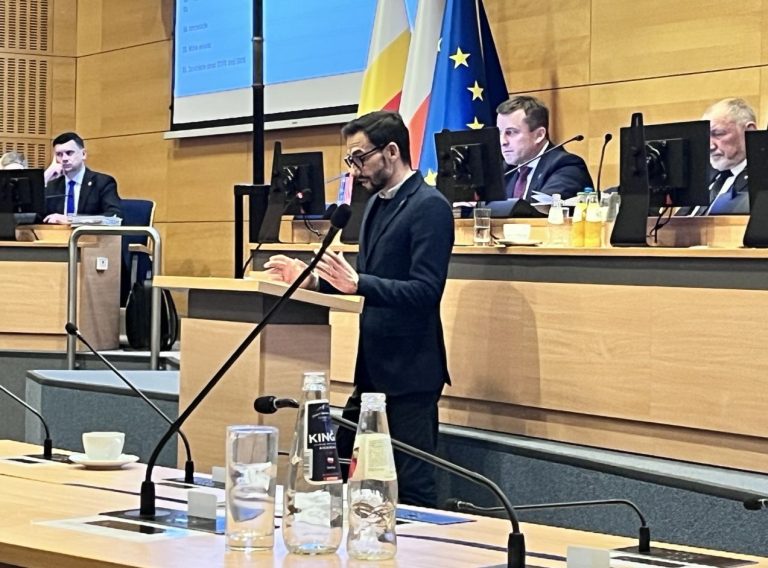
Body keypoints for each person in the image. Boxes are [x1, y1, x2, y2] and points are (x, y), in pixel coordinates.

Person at [264, 111, 454, 507]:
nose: (354, 170)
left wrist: (360, 283)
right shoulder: (373, 206)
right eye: (350, 160)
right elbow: (363, 280)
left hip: (411, 372)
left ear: (392, 151)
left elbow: (426, 291)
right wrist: (312, 281)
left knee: (414, 484)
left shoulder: (429, 206)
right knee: (332, 466)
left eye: (359, 158)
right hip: (371, 368)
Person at [497, 95, 592, 201]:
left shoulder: (567, 166)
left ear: (539, 135)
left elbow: (541, 207)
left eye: (511, 132)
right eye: (499, 133)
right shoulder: (505, 170)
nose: (503, 142)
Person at [687, 98, 756, 215]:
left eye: (718, 134)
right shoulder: (701, 177)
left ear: (749, 131)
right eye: (705, 136)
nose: (710, 146)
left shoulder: (761, 181)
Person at [44, 132, 122, 224]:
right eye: (59, 154)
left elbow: (114, 218)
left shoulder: (103, 183)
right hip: (55, 233)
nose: (64, 159)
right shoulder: (52, 185)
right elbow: (35, 216)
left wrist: (71, 220)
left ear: (83, 154)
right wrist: (45, 178)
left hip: (88, 233)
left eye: (69, 153)